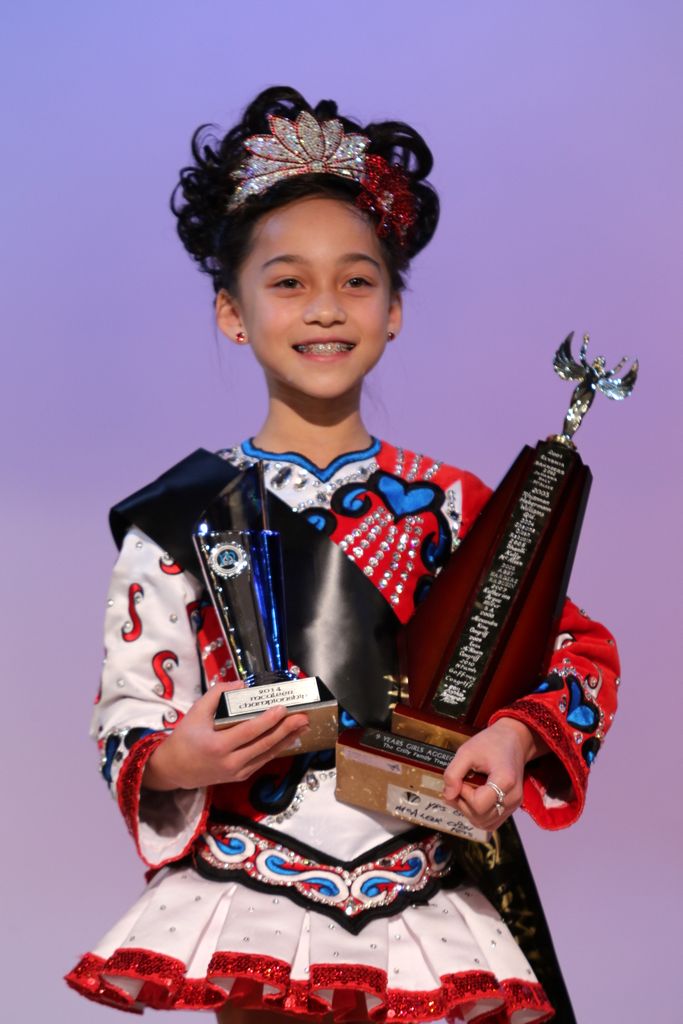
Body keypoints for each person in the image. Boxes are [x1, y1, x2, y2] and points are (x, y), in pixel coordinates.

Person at [66, 86, 620, 1023]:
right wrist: (179, 758)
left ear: (394, 310)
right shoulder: (178, 518)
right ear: (232, 312)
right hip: (256, 888)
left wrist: (513, 737)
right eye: (287, 282)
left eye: (357, 281)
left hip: (422, 884)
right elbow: (129, 713)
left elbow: (574, 653)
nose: (325, 308)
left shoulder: (456, 505)